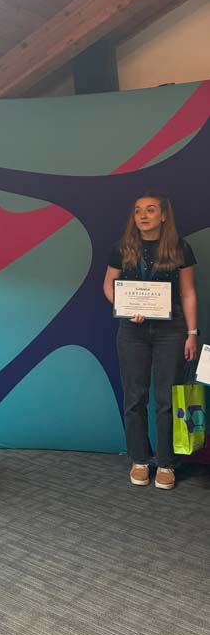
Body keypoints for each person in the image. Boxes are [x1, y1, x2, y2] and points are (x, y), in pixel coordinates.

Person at [103, 191, 198, 490]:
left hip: (171, 331)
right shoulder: (122, 248)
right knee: (134, 397)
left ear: (164, 215)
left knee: (167, 398)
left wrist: (192, 333)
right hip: (132, 332)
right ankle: (139, 460)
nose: (143, 215)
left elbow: (188, 293)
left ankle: (167, 463)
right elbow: (108, 285)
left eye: (151, 209)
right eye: (138, 210)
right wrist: (124, 307)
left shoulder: (180, 248)